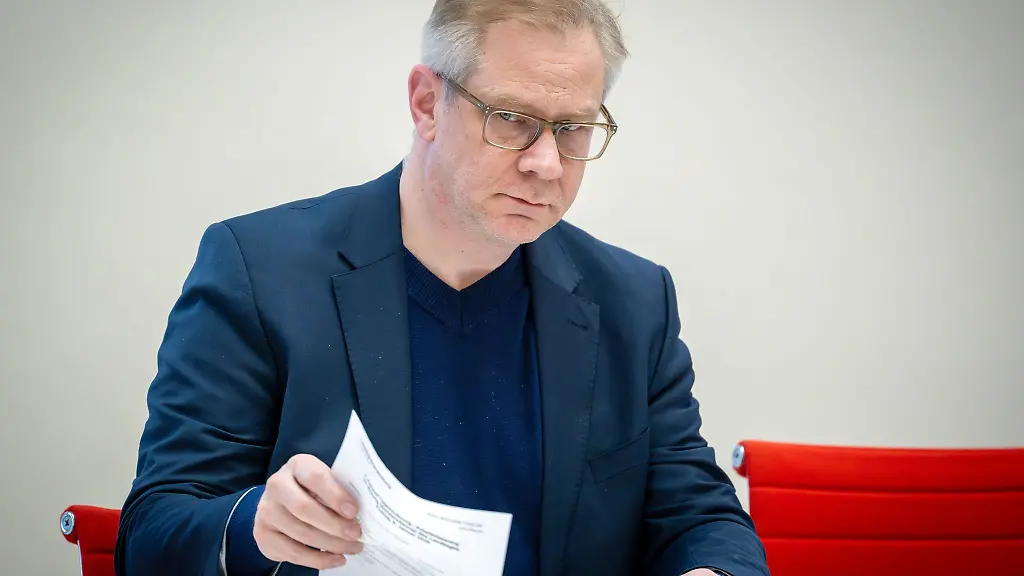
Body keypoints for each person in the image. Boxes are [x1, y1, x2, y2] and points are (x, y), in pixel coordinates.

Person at [114, 1, 769, 575]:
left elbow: (698, 516)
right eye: (511, 118)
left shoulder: (633, 300)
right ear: (427, 103)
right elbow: (152, 534)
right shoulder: (261, 270)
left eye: (573, 129)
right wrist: (255, 526)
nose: (546, 163)